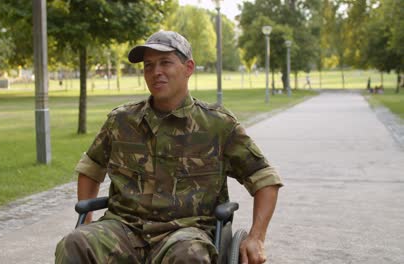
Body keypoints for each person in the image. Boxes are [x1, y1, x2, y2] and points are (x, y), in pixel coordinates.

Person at [55, 30, 282, 264]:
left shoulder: (218, 125)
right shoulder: (121, 121)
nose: (156, 72)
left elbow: (265, 179)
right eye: (149, 66)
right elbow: (91, 168)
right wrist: (89, 220)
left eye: (166, 63)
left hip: (185, 233)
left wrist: (256, 237)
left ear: (188, 68)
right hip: (124, 229)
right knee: (74, 243)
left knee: (189, 255)